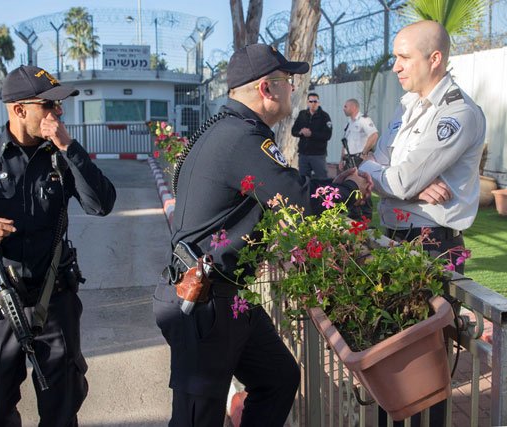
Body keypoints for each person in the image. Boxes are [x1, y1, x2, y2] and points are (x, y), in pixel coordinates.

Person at [152, 44, 371, 427]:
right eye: (288, 80)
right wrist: (352, 189)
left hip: (223, 296)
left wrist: (331, 184)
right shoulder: (243, 137)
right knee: (195, 420)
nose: (293, 88)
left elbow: (287, 186)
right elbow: (300, 200)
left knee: (278, 377)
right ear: (267, 89)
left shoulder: (232, 130)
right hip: (205, 301)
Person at [0, 65, 116, 426]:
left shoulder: (61, 156)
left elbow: (101, 204)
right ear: (19, 110)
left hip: (55, 300)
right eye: (49, 106)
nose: (58, 113)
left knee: (62, 405)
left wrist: (69, 147)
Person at [358, 20, 486, 426]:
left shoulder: (458, 113)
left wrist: (391, 178)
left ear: (435, 59)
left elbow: (395, 177)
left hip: (430, 247)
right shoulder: (406, 106)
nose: (395, 66)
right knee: (388, 363)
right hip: (394, 241)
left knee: (419, 376)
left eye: (403, 57)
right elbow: (384, 172)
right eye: (395, 56)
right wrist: (396, 180)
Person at [340, 99, 378, 220]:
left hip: (358, 159)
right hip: (348, 159)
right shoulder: (349, 122)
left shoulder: (363, 120)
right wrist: (341, 159)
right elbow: (345, 142)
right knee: (351, 188)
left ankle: (366, 216)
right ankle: (354, 215)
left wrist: (364, 152)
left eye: (346, 106)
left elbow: (374, 135)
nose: (343, 108)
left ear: (354, 107)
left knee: (362, 187)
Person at [291, 92, 333, 179]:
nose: (313, 104)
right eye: (311, 101)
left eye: (315, 101)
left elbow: (327, 135)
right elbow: (293, 131)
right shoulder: (302, 114)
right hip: (303, 155)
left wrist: (312, 134)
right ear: (307, 102)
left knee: (322, 180)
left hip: (318, 155)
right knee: (303, 181)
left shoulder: (324, 116)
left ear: (319, 102)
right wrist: (301, 132)